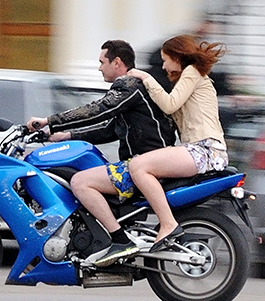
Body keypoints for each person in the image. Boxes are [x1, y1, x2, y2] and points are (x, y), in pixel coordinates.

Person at [26, 40, 178, 262]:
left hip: (145, 166)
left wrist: (49, 120)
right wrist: (65, 136)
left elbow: (98, 110)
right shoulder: (133, 88)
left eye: (101, 62)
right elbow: (111, 129)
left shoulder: (129, 85)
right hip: (150, 163)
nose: (99, 68)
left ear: (117, 62)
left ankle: (119, 240)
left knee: (80, 182)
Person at [84, 33, 229, 266]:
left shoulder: (192, 72)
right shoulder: (187, 78)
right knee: (142, 164)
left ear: (177, 56)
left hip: (204, 150)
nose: (163, 65)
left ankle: (168, 224)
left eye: (165, 59)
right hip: (199, 149)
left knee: (139, 166)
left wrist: (144, 77)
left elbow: (169, 104)